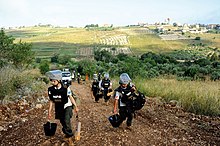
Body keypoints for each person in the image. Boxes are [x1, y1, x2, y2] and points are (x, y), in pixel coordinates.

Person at [46, 70, 79, 145]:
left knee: (67, 120)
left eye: (53, 81)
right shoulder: (51, 90)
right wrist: (49, 111)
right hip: (58, 107)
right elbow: (51, 101)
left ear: (58, 80)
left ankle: (70, 136)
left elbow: (70, 97)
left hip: (67, 105)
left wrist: (76, 107)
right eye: (51, 81)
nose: (52, 82)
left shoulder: (66, 88)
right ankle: (67, 133)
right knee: (62, 121)